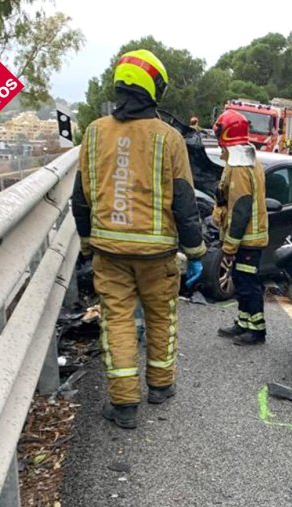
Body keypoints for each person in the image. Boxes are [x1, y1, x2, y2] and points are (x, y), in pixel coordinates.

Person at [71, 49, 206, 429]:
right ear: (154, 88)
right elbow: (184, 200)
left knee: (117, 322)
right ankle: (161, 386)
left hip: (108, 252)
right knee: (162, 316)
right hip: (157, 254)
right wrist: (195, 251)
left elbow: (80, 197)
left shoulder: (94, 132)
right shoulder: (169, 138)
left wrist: (85, 242)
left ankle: (124, 405)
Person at [212, 110, 269, 345]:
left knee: (247, 284)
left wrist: (230, 245)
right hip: (247, 238)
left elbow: (242, 207)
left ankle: (256, 330)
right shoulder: (242, 159)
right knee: (241, 280)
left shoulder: (240, 166)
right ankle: (244, 322)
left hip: (248, 239)